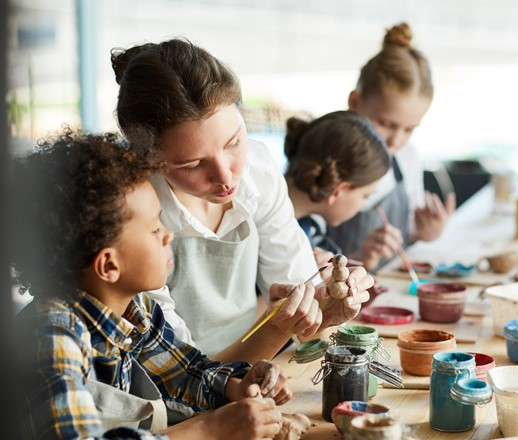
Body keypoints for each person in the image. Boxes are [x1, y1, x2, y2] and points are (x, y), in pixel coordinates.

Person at [10, 128, 290, 439]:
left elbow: (183, 374)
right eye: (155, 228)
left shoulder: (134, 308)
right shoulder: (53, 337)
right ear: (109, 265)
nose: (168, 235)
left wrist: (237, 386)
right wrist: (209, 429)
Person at [111, 38, 373, 364]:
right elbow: (176, 374)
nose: (226, 176)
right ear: (148, 159)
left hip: (252, 370)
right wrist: (278, 327)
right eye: (193, 164)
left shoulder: (258, 170)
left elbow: (302, 308)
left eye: (234, 142)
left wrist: (325, 308)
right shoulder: (132, 214)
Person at [325, 22, 456, 271]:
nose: (396, 140)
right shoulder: (323, 161)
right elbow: (299, 263)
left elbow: (406, 232)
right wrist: (361, 255)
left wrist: (423, 232)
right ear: (354, 102)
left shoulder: (407, 157)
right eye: (385, 123)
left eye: (409, 129)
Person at [283, 110, 391, 268]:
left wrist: (362, 256)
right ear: (338, 190)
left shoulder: (309, 225)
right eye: (365, 196)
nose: (363, 205)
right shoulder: (269, 228)